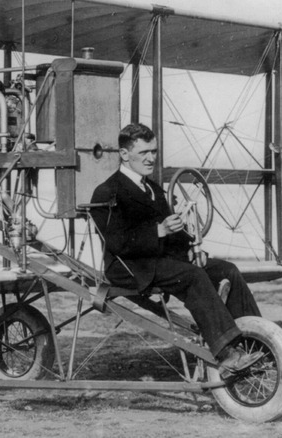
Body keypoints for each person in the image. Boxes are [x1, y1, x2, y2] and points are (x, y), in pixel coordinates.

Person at [89, 123, 263, 375]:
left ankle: (256, 339)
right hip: (129, 267)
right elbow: (117, 243)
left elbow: (172, 231)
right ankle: (226, 354)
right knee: (193, 277)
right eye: (144, 153)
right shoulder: (107, 191)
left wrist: (191, 250)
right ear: (125, 154)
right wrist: (158, 231)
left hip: (159, 262)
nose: (151, 158)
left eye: (154, 151)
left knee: (227, 270)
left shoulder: (153, 188)